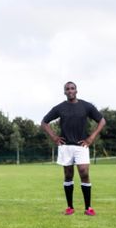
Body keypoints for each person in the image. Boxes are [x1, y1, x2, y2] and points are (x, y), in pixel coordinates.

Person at [41, 81, 106, 216]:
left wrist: (91, 137)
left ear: (76, 91)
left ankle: (88, 208)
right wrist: (54, 137)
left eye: (72, 88)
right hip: (65, 146)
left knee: (84, 173)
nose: (70, 91)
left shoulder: (86, 106)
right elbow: (44, 122)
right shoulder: (60, 108)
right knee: (68, 175)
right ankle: (70, 207)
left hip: (81, 146)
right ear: (64, 92)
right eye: (67, 89)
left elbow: (102, 121)